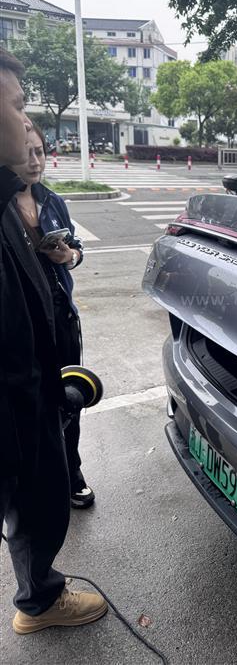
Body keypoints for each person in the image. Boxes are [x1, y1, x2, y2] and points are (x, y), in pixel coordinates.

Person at [0, 47, 106, 634]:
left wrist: (68, 255)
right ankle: (38, 599)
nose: (26, 126)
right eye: (17, 107)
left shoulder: (43, 202)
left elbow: (73, 259)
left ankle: (38, 595)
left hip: (49, 356)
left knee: (61, 440)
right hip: (15, 404)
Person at [10, 123, 94, 509]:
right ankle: (34, 481)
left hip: (60, 317)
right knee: (27, 408)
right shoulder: (4, 207)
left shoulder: (52, 201)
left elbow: (76, 249)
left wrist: (68, 256)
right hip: (20, 325)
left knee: (68, 397)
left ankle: (71, 471)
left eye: (40, 152)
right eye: (26, 152)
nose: (35, 161)